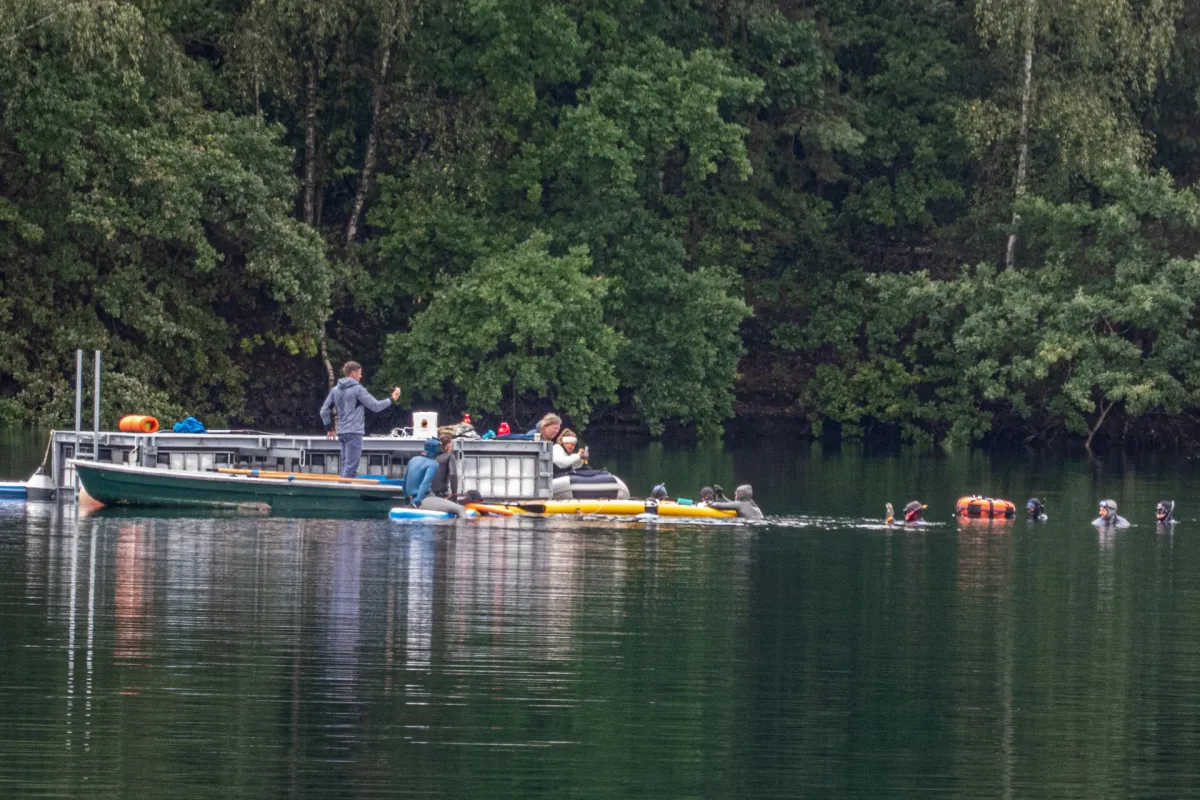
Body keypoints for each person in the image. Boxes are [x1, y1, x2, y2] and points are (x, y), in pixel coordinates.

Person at [320, 361, 401, 478]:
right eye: (359, 373)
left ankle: (342, 486)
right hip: (354, 433)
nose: (361, 376)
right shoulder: (358, 389)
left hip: (341, 432)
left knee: (345, 466)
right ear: (353, 373)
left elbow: (324, 411)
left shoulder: (335, 390)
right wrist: (392, 398)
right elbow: (376, 406)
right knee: (351, 468)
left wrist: (329, 429)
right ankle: (345, 488)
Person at [402, 439, 468, 517]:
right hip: (424, 499)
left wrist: (407, 500)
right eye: (438, 447)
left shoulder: (412, 460)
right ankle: (462, 525)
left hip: (412, 499)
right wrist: (418, 501)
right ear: (435, 449)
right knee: (461, 509)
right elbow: (426, 482)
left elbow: (404, 482)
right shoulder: (433, 463)